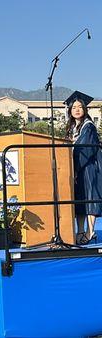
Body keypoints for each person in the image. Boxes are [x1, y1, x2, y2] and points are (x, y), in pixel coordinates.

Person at [65, 91, 102, 244]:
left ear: (85, 109)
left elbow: (84, 150)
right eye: (74, 107)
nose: (77, 110)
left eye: (80, 107)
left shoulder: (88, 127)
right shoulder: (74, 127)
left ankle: (90, 231)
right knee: (79, 200)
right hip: (77, 168)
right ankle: (79, 230)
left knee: (89, 198)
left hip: (88, 167)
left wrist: (75, 169)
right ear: (70, 110)